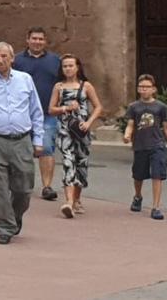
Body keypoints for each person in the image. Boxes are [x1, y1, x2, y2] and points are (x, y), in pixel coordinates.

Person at [0, 42, 44, 245]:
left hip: (21, 140)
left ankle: (13, 217)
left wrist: (38, 140)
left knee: (23, 188)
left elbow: (36, 112)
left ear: (12, 58)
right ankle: (4, 227)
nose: (1, 60)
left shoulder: (25, 80)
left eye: (4, 56)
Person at [12, 27, 63, 201]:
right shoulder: (17, 61)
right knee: (22, 150)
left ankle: (47, 186)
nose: (37, 42)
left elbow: (61, 85)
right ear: (27, 40)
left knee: (47, 148)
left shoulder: (55, 61)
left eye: (41, 39)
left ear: (45, 41)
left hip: (47, 113)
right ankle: (23, 184)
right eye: (34, 38)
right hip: (21, 113)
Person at [50, 54, 102, 219]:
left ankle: (77, 198)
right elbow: (51, 109)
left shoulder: (86, 86)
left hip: (82, 131)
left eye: (71, 65)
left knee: (81, 164)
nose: (68, 69)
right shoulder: (58, 87)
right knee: (67, 162)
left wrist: (89, 122)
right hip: (65, 130)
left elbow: (98, 107)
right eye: (65, 66)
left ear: (78, 67)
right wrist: (65, 108)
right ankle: (69, 202)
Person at [123, 74, 167, 221]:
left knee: (157, 174)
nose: (144, 90)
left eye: (147, 87)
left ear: (153, 89)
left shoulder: (161, 107)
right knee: (138, 175)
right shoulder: (134, 107)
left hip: (157, 145)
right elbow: (130, 124)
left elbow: (166, 127)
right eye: (141, 87)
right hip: (140, 146)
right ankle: (138, 196)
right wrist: (127, 135)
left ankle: (156, 207)